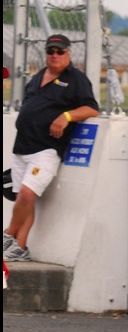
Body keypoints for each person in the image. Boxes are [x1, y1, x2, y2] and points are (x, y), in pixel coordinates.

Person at [4, 34, 101, 262]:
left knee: (27, 194)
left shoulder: (75, 79)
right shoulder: (38, 77)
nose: (55, 55)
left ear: (68, 53)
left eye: (60, 51)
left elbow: (91, 108)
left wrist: (66, 115)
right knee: (23, 198)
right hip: (22, 147)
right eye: (51, 51)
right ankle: (20, 247)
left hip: (46, 149)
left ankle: (7, 235)